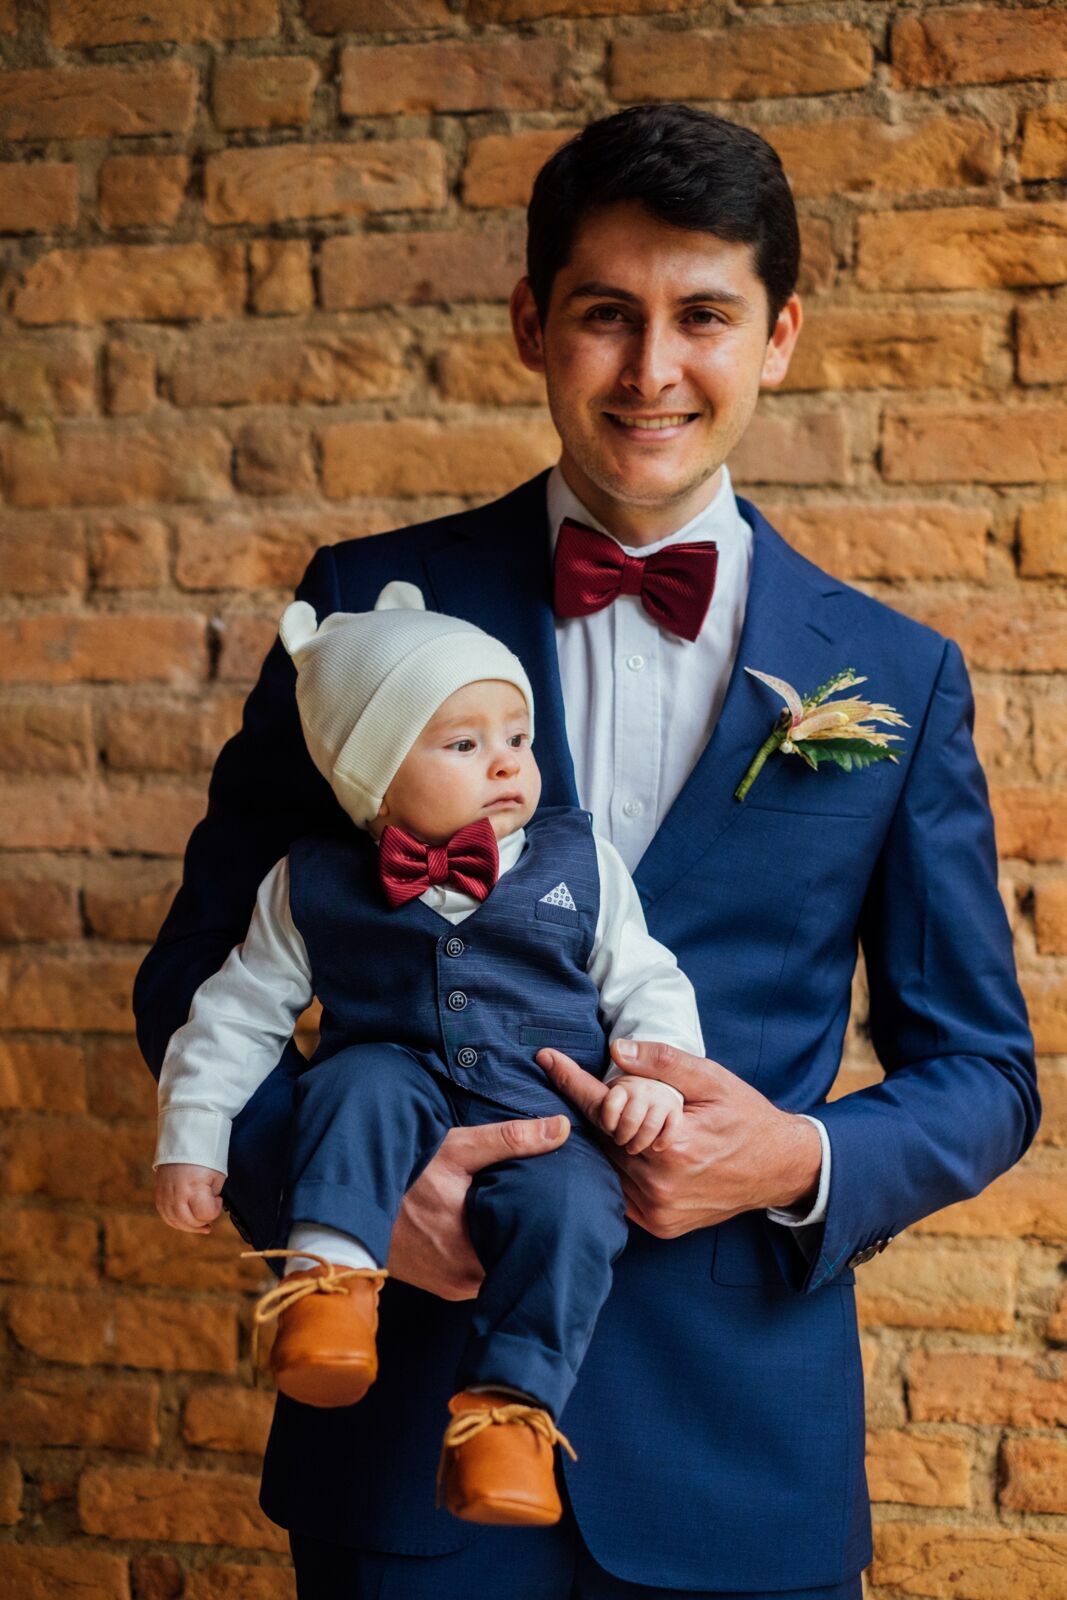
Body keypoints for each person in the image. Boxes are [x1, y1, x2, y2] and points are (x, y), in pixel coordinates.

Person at [134, 103, 1039, 1599]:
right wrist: (346, 1193)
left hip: (738, 1456)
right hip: (401, 1451)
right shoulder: (362, 609)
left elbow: (982, 1076)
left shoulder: (894, 675)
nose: (651, 370)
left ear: (779, 336)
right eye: (605, 316)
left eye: (702, 317)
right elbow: (199, 976)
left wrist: (792, 1158)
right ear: (529, 325)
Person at [152, 594, 703, 1526]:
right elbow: (235, 1014)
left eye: (517, 737)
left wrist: (656, 1074)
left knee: (573, 1204)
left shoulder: (582, 861)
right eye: (461, 745)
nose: (505, 761)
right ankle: (326, 1290)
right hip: (390, 1100)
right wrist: (195, 1137)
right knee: (357, 1082)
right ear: (372, 781)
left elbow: (648, 980)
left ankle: (508, 1420)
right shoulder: (308, 881)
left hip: (546, 1122)